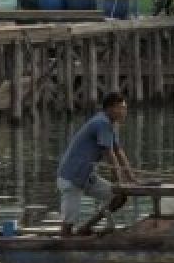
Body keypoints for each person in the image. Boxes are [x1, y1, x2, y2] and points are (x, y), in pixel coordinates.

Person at [56, 92, 137, 236]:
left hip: (87, 176)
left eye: (125, 108)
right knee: (68, 225)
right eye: (121, 108)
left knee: (119, 197)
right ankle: (63, 247)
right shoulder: (102, 123)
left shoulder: (111, 125)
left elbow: (119, 152)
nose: (124, 112)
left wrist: (132, 179)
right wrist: (118, 181)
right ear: (110, 109)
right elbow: (109, 154)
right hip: (72, 177)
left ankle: (86, 227)